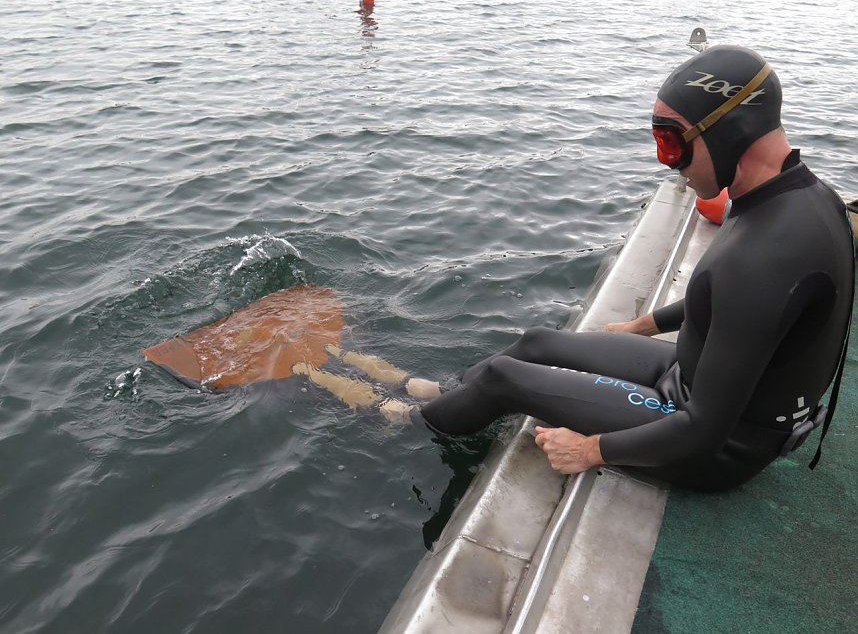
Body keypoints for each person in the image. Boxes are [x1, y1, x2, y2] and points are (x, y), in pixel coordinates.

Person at [294, 45, 854, 492]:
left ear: (729, 131)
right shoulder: (798, 197)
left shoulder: (770, 252)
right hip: (687, 378)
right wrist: (643, 326)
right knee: (538, 342)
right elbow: (735, 305)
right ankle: (432, 389)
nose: (669, 164)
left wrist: (592, 450)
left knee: (503, 379)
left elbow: (704, 429)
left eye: (670, 143)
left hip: (709, 444)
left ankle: (402, 420)